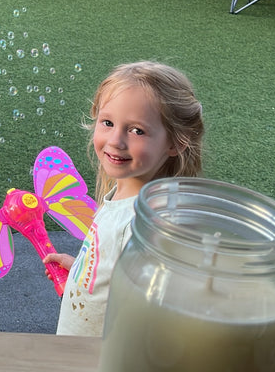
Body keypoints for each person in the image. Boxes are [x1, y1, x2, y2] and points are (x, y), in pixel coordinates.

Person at [42, 61, 204, 337]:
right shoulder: (123, 195)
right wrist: (84, 276)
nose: (116, 140)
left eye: (137, 130)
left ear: (176, 142)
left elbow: (154, 313)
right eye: (107, 123)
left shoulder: (147, 221)